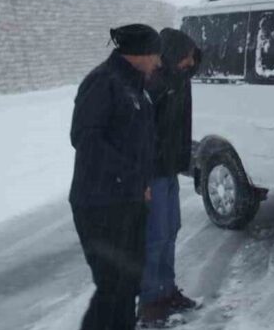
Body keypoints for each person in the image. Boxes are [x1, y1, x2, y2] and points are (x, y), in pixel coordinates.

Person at [69, 24, 161, 330]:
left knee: (128, 284)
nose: (158, 63)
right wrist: (132, 179)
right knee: (113, 287)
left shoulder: (134, 84)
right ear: (139, 55)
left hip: (127, 200)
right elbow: (86, 139)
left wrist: (141, 183)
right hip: (100, 204)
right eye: (155, 55)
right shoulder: (103, 82)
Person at [138, 28, 202, 326]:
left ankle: (167, 291)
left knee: (171, 231)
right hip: (151, 174)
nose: (191, 63)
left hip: (169, 170)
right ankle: (150, 304)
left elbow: (197, 62)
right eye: (187, 57)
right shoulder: (151, 85)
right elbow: (135, 136)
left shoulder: (179, 78)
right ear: (174, 56)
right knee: (155, 238)